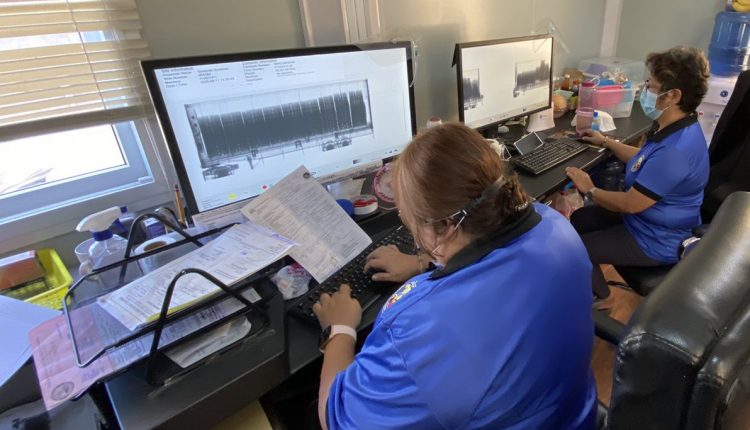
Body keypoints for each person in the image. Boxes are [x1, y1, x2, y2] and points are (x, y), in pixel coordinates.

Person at [313, 123, 597, 429]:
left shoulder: (418, 326)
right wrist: (423, 262)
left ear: (446, 227)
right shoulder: (554, 224)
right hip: (571, 414)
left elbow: (336, 418)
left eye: (408, 219)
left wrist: (339, 330)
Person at [565, 46, 710, 299]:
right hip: (646, 221)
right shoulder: (678, 127)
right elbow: (646, 159)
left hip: (657, 239)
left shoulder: (675, 151)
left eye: (651, 86)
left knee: (572, 251)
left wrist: (590, 189)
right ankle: (587, 283)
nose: (646, 90)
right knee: (580, 219)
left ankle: (602, 299)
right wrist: (607, 142)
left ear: (673, 96)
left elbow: (630, 204)